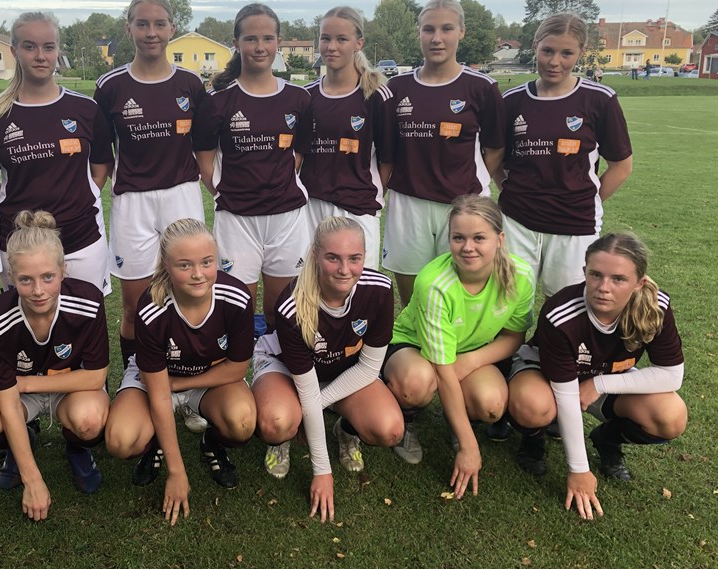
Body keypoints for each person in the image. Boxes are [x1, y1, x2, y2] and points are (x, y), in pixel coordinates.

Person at [506, 234, 686, 520]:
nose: (604, 287)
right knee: (533, 406)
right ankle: (534, 436)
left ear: (639, 283)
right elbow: (566, 394)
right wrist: (579, 470)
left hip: (602, 378)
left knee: (671, 416)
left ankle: (607, 439)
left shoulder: (656, 307)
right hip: (545, 377)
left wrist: (599, 383)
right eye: (596, 275)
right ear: (585, 272)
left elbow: (671, 375)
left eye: (619, 279)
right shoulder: (561, 313)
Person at [104, 219, 256, 524]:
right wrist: (177, 472)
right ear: (166, 264)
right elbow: (159, 393)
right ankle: (156, 444)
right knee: (120, 441)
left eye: (207, 262)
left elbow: (237, 368)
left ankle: (211, 442)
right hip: (155, 380)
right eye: (185, 265)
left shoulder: (236, 297)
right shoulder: (152, 307)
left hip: (209, 378)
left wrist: (181, 383)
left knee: (242, 422)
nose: (198, 274)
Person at [382, 195, 535, 498]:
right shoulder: (434, 283)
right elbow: (443, 369)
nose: (467, 247)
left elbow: (513, 337)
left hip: (469, 351)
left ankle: (459, 421)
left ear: (499, 240)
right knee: (417, 384)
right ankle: (407, 420)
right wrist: (469, 447)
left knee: (491, 405)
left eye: (479, 238)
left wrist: (471, 361)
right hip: (414, 347)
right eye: (458, 237)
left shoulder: (521, 276)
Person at [0, 211, 109, 520]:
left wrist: (27, 383)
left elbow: (95, 377)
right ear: (11, 277)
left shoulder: (89, 302)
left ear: (64, 270)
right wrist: (33, 480)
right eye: (26, 280)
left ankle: (77, 448)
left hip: (68, 390)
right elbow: (7, 402)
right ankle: (21, 446)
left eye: (48, 277)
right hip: (16, 397)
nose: (38, 290)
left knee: (90, 421)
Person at [252, 216, 401, 522]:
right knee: (277, 422)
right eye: (333, 258)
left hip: (343, 370)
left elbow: (369, 368)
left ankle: (345, 429)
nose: (344, 269)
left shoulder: (379, 290)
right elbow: (306, 388)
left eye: (354, 258)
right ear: (315, 255)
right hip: (287, 371)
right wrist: (322, 470)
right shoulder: (292, 305)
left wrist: (314, 407)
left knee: (390, 429)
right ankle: (284, 438)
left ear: (364, 256)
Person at [93, 0, 208, 373]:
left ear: (172, 28)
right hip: (133, 202)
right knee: (135, 304)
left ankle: (186, 373)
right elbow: (102, 153)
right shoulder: (110, 86)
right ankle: (134, 375)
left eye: (159, 24)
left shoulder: (191, 84)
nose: (151, 32)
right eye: (142, 24)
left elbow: (204, 147)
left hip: (182, 196)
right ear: (129, 29)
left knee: (189, 294)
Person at [0, 12, 114, 301]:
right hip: (19, 242)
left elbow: (100, 169)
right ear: (14, 51)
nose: (40, 56)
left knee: (85, 318)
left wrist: (76, 200)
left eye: (48, 47)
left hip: (81, 237)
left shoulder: (86, 109)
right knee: (26, 322)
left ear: (58, 51)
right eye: (30, 47)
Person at [193, 3, 313, 331]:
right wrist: (228, 192)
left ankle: (276, 361)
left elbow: (298, 155)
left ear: (278, 42)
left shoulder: (299, 99)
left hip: (286, 218)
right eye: (251, 39)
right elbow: (205, 162)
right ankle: (240, 365)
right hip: (236, 218)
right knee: (238, 312)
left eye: (267, 38)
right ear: (236, 42)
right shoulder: (217, 101)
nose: (260, 47)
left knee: (281, 311)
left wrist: (276, 183)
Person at [381, 0, 506, 307]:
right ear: (418, 33)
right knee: (413, 299)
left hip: (462, 206)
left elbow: (495, 148)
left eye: (447, 29)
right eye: (429, 30)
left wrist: (470, 181)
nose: (437, 38)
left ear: (461, 32)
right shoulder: (396, 88)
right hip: (408, 204)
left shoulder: (482, 87)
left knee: (462, 294)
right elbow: (387, 151)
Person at [497, 14, 633, 298]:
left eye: (566, 53)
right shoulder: (512, 100)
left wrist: (588, 199)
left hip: (574, 223)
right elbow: (497, 159)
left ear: (581, 52)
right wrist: (510, 190)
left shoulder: (599, 99)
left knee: (565, 304)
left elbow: (621, 166)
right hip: (517, 220)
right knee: (510, 300)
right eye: (547, 51)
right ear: (535, 46)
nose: (554, 61)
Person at [299, 6, 393, 270]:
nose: (331, 47)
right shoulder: (306, 97)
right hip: (311, 206)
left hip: (357, 209)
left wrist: (362, 190)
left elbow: (388, 161)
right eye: (325, 38)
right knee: (310, 283)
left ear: (358, 43)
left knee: (356, 285)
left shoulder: (376, 96)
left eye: (341, 39)